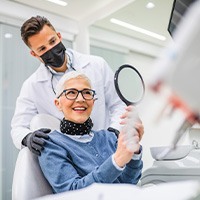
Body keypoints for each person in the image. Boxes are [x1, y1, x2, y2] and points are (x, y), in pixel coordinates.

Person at [11, 15, 132, 155]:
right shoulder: (32, 86)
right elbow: (18, 127)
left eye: (52, 41)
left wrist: (114, 132)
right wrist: (27, 138)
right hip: (69, 157)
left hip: (107, 149)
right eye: (42, 48)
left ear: (59, 36)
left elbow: (118, 105)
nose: (51, 49)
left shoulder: (97, 65)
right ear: (34, 54)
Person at [38, 71, 143, 193]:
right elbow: (72, 193)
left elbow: (129, 183)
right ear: (58, 103)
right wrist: (117, 161)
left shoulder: (109, 137)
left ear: (93, 101)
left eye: (87, 93)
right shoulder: (51, 145)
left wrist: (134, 152)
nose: (81, 99)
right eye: (71, 92)